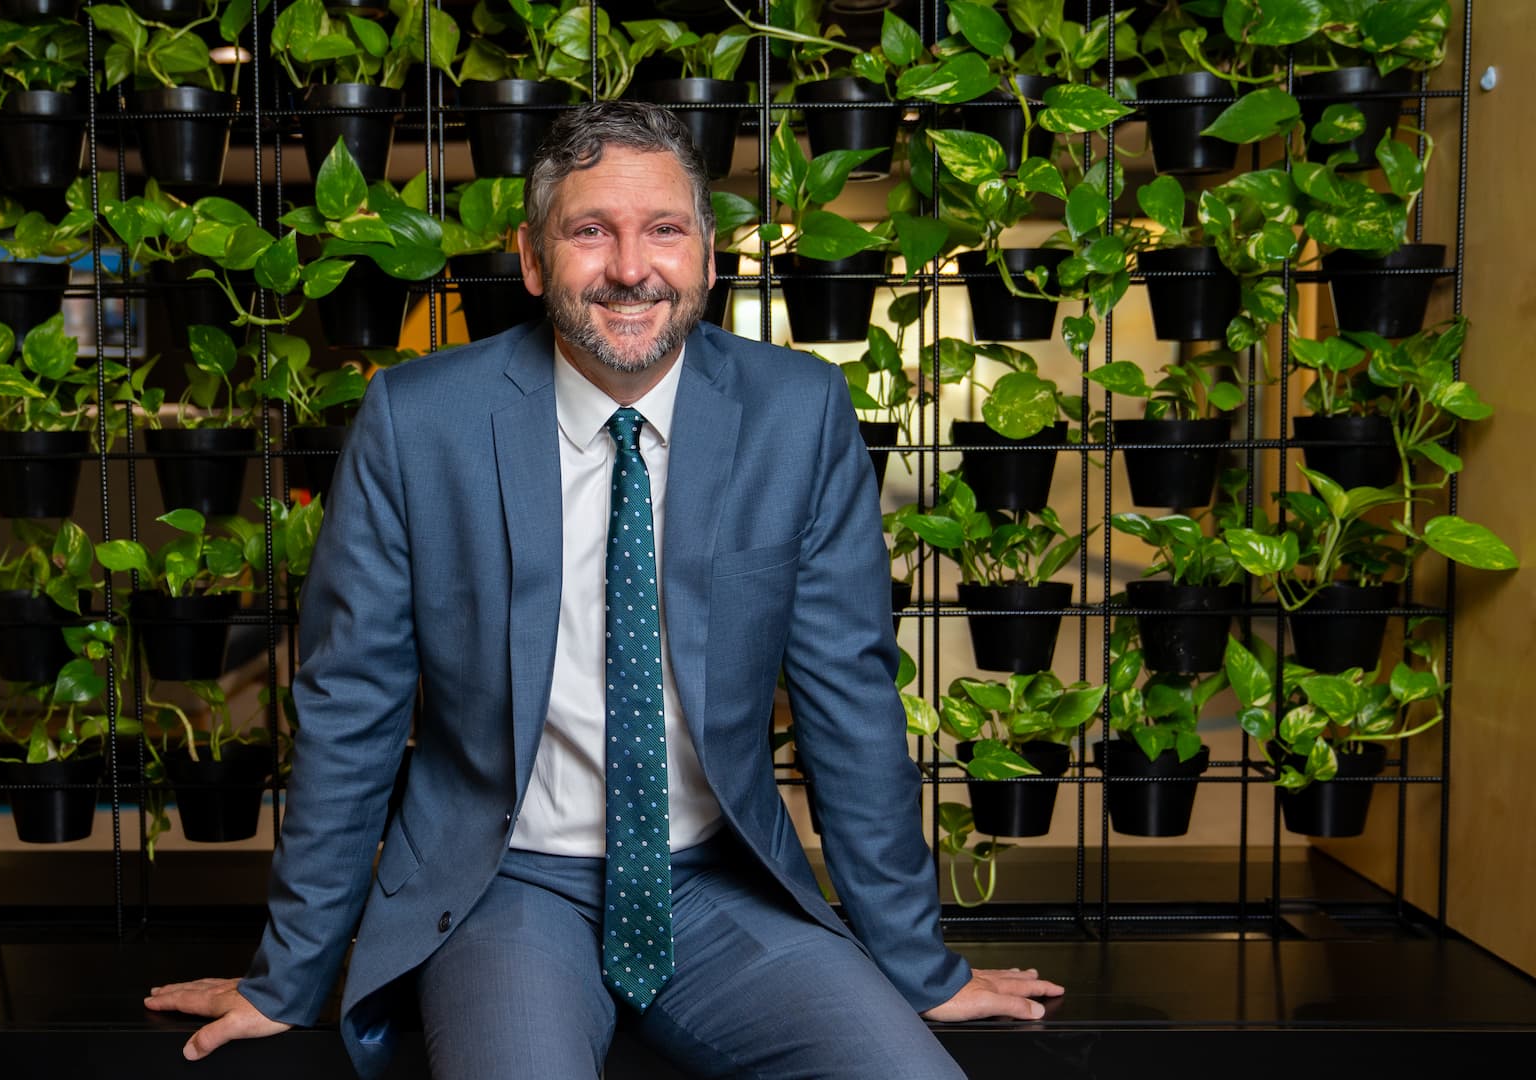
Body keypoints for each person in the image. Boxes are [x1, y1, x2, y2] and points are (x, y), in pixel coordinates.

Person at [144, 100, 1062, 1078]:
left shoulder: (800, 414)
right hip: (503, 890)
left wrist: (921, 967)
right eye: (592, 231)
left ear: (709, 256)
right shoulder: (419, 422)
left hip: (718, 886)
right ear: (535, 262)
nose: (631, 268)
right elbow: (350, 707)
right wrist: (288, 975)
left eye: (664, 229)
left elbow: (850, 699)